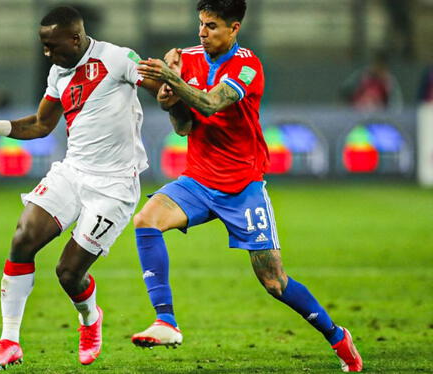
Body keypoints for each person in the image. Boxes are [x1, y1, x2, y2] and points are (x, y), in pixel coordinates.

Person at [129, 0, 363, 372]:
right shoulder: (186, 58)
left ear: (234, 28)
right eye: (201, 24)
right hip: (198, 179)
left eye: (213, 26)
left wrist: (171, 80)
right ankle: (166, 322)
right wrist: (168, 101)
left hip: (243, 185)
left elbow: (210, 103)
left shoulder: (248, 66)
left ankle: (338, 337)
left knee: (274, 282)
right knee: (146, 220)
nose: (202, 33)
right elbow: (185, 126)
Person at [0, 6, 161, 370]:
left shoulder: (117, 59)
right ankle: (9, 341)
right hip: (73, 172)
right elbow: (41, 124)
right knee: (23, 238)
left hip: (114, 186)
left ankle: (90, 319)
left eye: (52, 46)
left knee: (68, 273)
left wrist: (172, 87)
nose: (47, 53)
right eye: (43, 46)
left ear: (75, 38)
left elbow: (159, 87)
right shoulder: (59, 73)